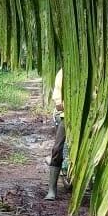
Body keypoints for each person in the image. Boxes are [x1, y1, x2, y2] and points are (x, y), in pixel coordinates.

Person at [45, 68, 65, 201]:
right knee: (57, 149)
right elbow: (58, 104)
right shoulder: (64, 72)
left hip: (93, 116)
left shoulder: (98, 67)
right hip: (68, 116)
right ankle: (52, 189)